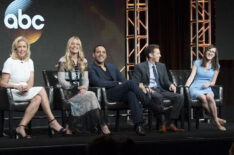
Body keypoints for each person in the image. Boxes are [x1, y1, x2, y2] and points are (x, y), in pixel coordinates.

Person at [0, 36, 65, 139]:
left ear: (27, 48)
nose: (22, 49)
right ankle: (52, 121)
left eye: (24, 47)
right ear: (15, 49)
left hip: (25, 91)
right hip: (12, 92)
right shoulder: (10, 61)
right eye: (19, 47)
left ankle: (21, 127)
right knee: (42, 90)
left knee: (38, 98)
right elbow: (2, 83)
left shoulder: (29, 61)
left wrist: (27, 88)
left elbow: (31, 82)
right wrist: (16, 86)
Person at [88, 45, 160, 136]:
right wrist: (116, 83)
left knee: (131, 94)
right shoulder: (90, 68)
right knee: (130, 84)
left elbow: (124, 81)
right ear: (93, 55)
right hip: (106, 94)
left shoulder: (112, 67)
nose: (101, 54)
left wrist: (138, 85)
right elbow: (98, 82)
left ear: (106, 55)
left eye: (103, 52)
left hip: (118, 93)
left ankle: (138, 125)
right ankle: (150, 105)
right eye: (98, 52)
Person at [57, 36, 110, 135]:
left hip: (80, 91)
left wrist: (84, 88)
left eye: (77, 44)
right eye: (73, 44)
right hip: (68, 93)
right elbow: (61, 81)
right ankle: (103, 125)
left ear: (80, 47)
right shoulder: (63, 60)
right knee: (92, 96)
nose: (75, 46)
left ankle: (69, 127)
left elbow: (85, 79)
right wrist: (76, 87)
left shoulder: (83, 61)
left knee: (88, 98)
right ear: (69, 46)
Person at [132, 44, 184, 132]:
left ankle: (170, 123)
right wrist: (147, 88)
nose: (160, 55)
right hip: (149, 91)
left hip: (161, 90)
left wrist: (171, 85)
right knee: (157, 97)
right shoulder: (140, 67)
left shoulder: (161, 66)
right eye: (158, 53)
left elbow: (166, 80)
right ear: (150, 55)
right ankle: (162, 124)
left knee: (180, 97)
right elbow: (135, 82)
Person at [185, 44, 226, 131]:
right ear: (205, 52)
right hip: (196, 87)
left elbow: (214, 81)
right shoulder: (197, 63)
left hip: (207, 87)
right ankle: (216, 121)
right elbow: (191, 77)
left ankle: (214, 119)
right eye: (209, 51)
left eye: (213, 52)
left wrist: (209, 84)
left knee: (210, 97)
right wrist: (186, 87)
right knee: (203, 98)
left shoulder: (216, 66)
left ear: (215, 55)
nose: (210, 53)